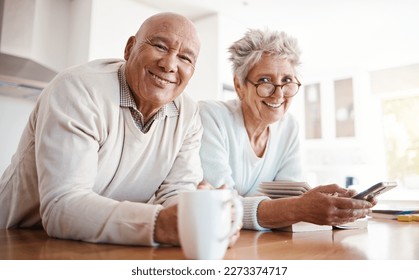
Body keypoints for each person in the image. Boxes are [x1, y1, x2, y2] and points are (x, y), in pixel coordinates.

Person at [0, 12, 203, 246]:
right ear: (129, 49)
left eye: (185, 58)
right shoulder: (79, 89)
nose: (169, 65)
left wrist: (196, 217)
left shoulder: (188, 114)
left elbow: (175, 193)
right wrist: (160, 224)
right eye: (159, 46)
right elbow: (62, 206)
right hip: (18, 238)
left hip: (101, 243)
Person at [198, 28, 375, 231]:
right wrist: (293, 208)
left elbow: (290, 199)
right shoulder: (211, 116)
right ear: (239, 86)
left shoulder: (289, 126)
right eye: (265, 81)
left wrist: (328, 202)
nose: (278, 95)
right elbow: (220, 206)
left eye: (287, 81)